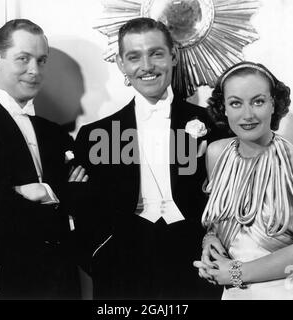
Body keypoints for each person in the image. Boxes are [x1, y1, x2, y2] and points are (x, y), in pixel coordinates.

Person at [74, 17, 229, 299]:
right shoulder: (94, 134)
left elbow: (227, 198)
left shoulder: (213, 126)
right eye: (134, 56)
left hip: (196, 261)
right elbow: (84, 209)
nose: (146, 66)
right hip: (121, 265)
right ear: (121, 63)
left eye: (156, 53)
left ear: (173, 56)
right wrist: (99, 256)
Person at [0, 19, 87, 299]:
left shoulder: (56, 134)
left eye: (41, 61)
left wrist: (36, 193)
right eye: (23, 59)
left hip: (60, 277)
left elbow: (84, 198)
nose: (34, 70)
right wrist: (56, 196)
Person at [193, 61, 293, 299]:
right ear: (223, 108)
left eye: (258, 101)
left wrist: (237, 272)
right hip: (235, 292)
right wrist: (211, 240)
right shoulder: (217, 153)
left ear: (273, 104)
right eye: (236, 103)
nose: (248, 115)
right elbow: (221, 219)